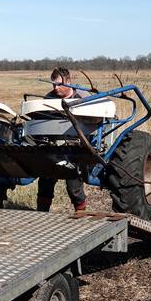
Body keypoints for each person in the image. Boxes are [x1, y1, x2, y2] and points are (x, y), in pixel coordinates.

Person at [36, 67, 89, 213]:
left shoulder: (83, 96)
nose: (56, 88)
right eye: (53, 84)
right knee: (46, 177)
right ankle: (41, 213)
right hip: (53, 143)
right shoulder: (48, 98)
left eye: (59, 84)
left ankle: (81, 212)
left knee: (73, 182)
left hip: (76, 144)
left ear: (69, 81)